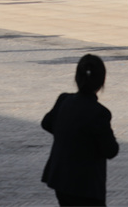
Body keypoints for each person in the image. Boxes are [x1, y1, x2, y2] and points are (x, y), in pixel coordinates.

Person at [41, 54, 119, 206]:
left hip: (61, 179)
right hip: (86, 185)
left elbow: (46, 123)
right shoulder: (99, 113)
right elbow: (111, 150)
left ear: (77, 78)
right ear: (101, 81)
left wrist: (69, 135)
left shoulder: (63, 100)